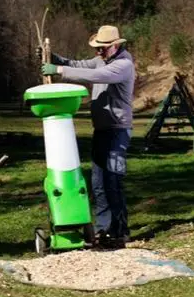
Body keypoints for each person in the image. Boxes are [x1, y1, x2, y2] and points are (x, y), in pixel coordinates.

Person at [38, 25, 135, 248]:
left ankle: (120, 231)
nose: (98, 52)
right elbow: (78, 65)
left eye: (103, 48)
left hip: (118, 130)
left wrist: (59, 71)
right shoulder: (102, 60)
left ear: (116, 45)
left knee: (113, 181)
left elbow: (94, 75)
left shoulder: (123, 65)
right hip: (101, 129)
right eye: (97, 48)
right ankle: (103, 229)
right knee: (98, 183)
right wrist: (54, 58)